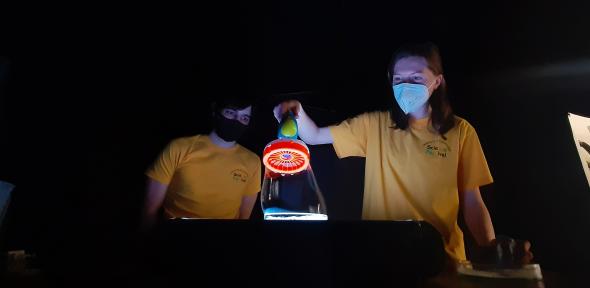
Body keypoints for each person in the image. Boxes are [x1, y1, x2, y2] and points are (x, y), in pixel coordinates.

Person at [274, 42, 532, 265]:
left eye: (416, 78)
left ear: (437, 82)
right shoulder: (374, 124)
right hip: (380, 257)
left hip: (444, 259)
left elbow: (472, 201)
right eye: (399, 79)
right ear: (390, 80)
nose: (406, 85)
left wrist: (491, 247)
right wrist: (297, 111)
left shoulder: (460, 131)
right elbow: (314, 136)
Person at [141, 96, 261, 230]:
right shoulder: (179, 148)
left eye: (244, 118)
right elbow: (149, 209)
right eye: (230, 113)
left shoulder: (252, 161)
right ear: (216, 111)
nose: (236, 121)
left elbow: (244, 219)